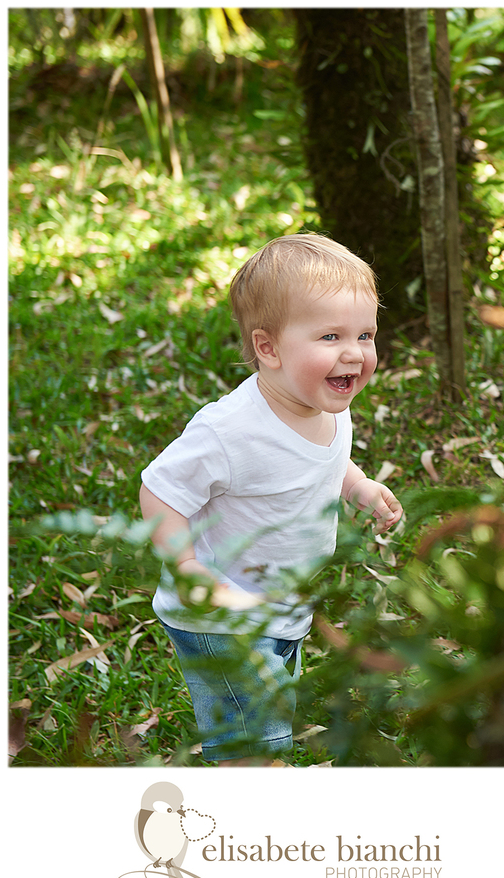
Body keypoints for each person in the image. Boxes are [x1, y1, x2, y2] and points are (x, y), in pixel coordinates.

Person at [139, 233, 402, 764]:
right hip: (222, 615)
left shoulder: (326, 403)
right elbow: (159, 492)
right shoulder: (229, 431)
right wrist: (185, 565)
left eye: (365, 335)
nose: (354, 353)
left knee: (272, 717)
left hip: (282, 606)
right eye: (331, 336)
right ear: (269, 348)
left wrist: (356, 485)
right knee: (253, 743)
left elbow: (321, 458)